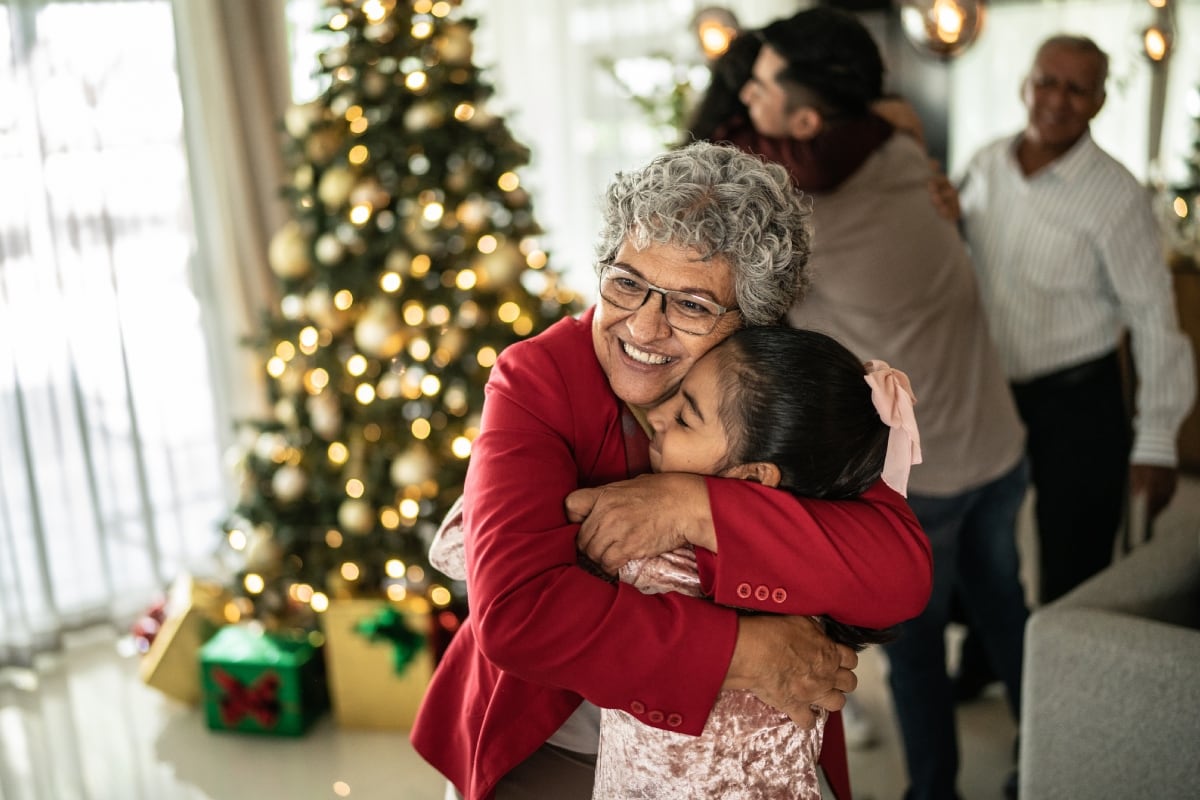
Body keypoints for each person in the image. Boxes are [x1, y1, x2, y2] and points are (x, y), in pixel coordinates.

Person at [410, 141, 933, 800]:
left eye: (691, 304)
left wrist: (691, 507)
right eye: (627, 283)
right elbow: (518, 614)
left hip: (741, 753)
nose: (643, 327)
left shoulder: (774, 383)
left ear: (755, 322)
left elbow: (897, 574)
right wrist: (744, 653)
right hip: (554, 737)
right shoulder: (539, 377)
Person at [705, 8, 1031, 799]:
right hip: (998, 441)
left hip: (927, 475)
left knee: (912, 651)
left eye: (763, 83)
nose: (747, 92)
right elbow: (873, 119)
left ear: (807, 122)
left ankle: (933, 791)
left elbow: (718, 157)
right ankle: (1052, 758)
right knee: (1006, 608)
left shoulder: (800, 223)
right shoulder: (902, 150)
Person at [586, 326, 920, 799]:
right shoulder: (809, 541)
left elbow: (905, 576)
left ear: (754, 476)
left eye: (685, 418)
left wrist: (688, 504)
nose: (655, 415)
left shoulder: (819, 555)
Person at [957, 34, 1197, 607]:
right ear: (1026, 86)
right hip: (993, 393)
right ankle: (993, 652)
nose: (1057, 100)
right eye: (1047, 82)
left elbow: (1154, 317)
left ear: (1099, 101)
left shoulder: (1117, 194)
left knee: (1075, 560)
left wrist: (1157, 441)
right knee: (984, 547)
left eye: (1076, 89)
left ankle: (1068, 659)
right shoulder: (985, 163)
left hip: (1079, 402)